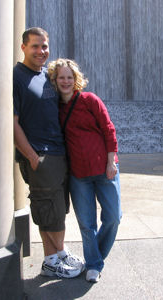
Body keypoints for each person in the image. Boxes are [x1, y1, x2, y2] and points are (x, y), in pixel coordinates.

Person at [13, 28, 84, 278]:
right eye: (35, 46)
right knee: (48, 210)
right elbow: (12, 122)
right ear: (23, 47)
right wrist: (32, 157)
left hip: (57, 153)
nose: (41, 51)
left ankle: (57, 254)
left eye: (44, 46)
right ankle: (51, 260)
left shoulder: (47, 76)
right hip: (40, 155)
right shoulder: (16, 77)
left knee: (57, 208)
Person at [47, 58, 122, 283]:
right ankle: (93, 264)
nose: (66, 81)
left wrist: (111, 162)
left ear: (76, 79)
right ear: (55, 80)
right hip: (79, 175)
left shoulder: (90, 100)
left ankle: (94, 256)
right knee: (86, 223)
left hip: (104, 169)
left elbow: (109, 130)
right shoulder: (55, 109)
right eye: (61, 77)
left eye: (70, 77)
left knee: (113, 218)